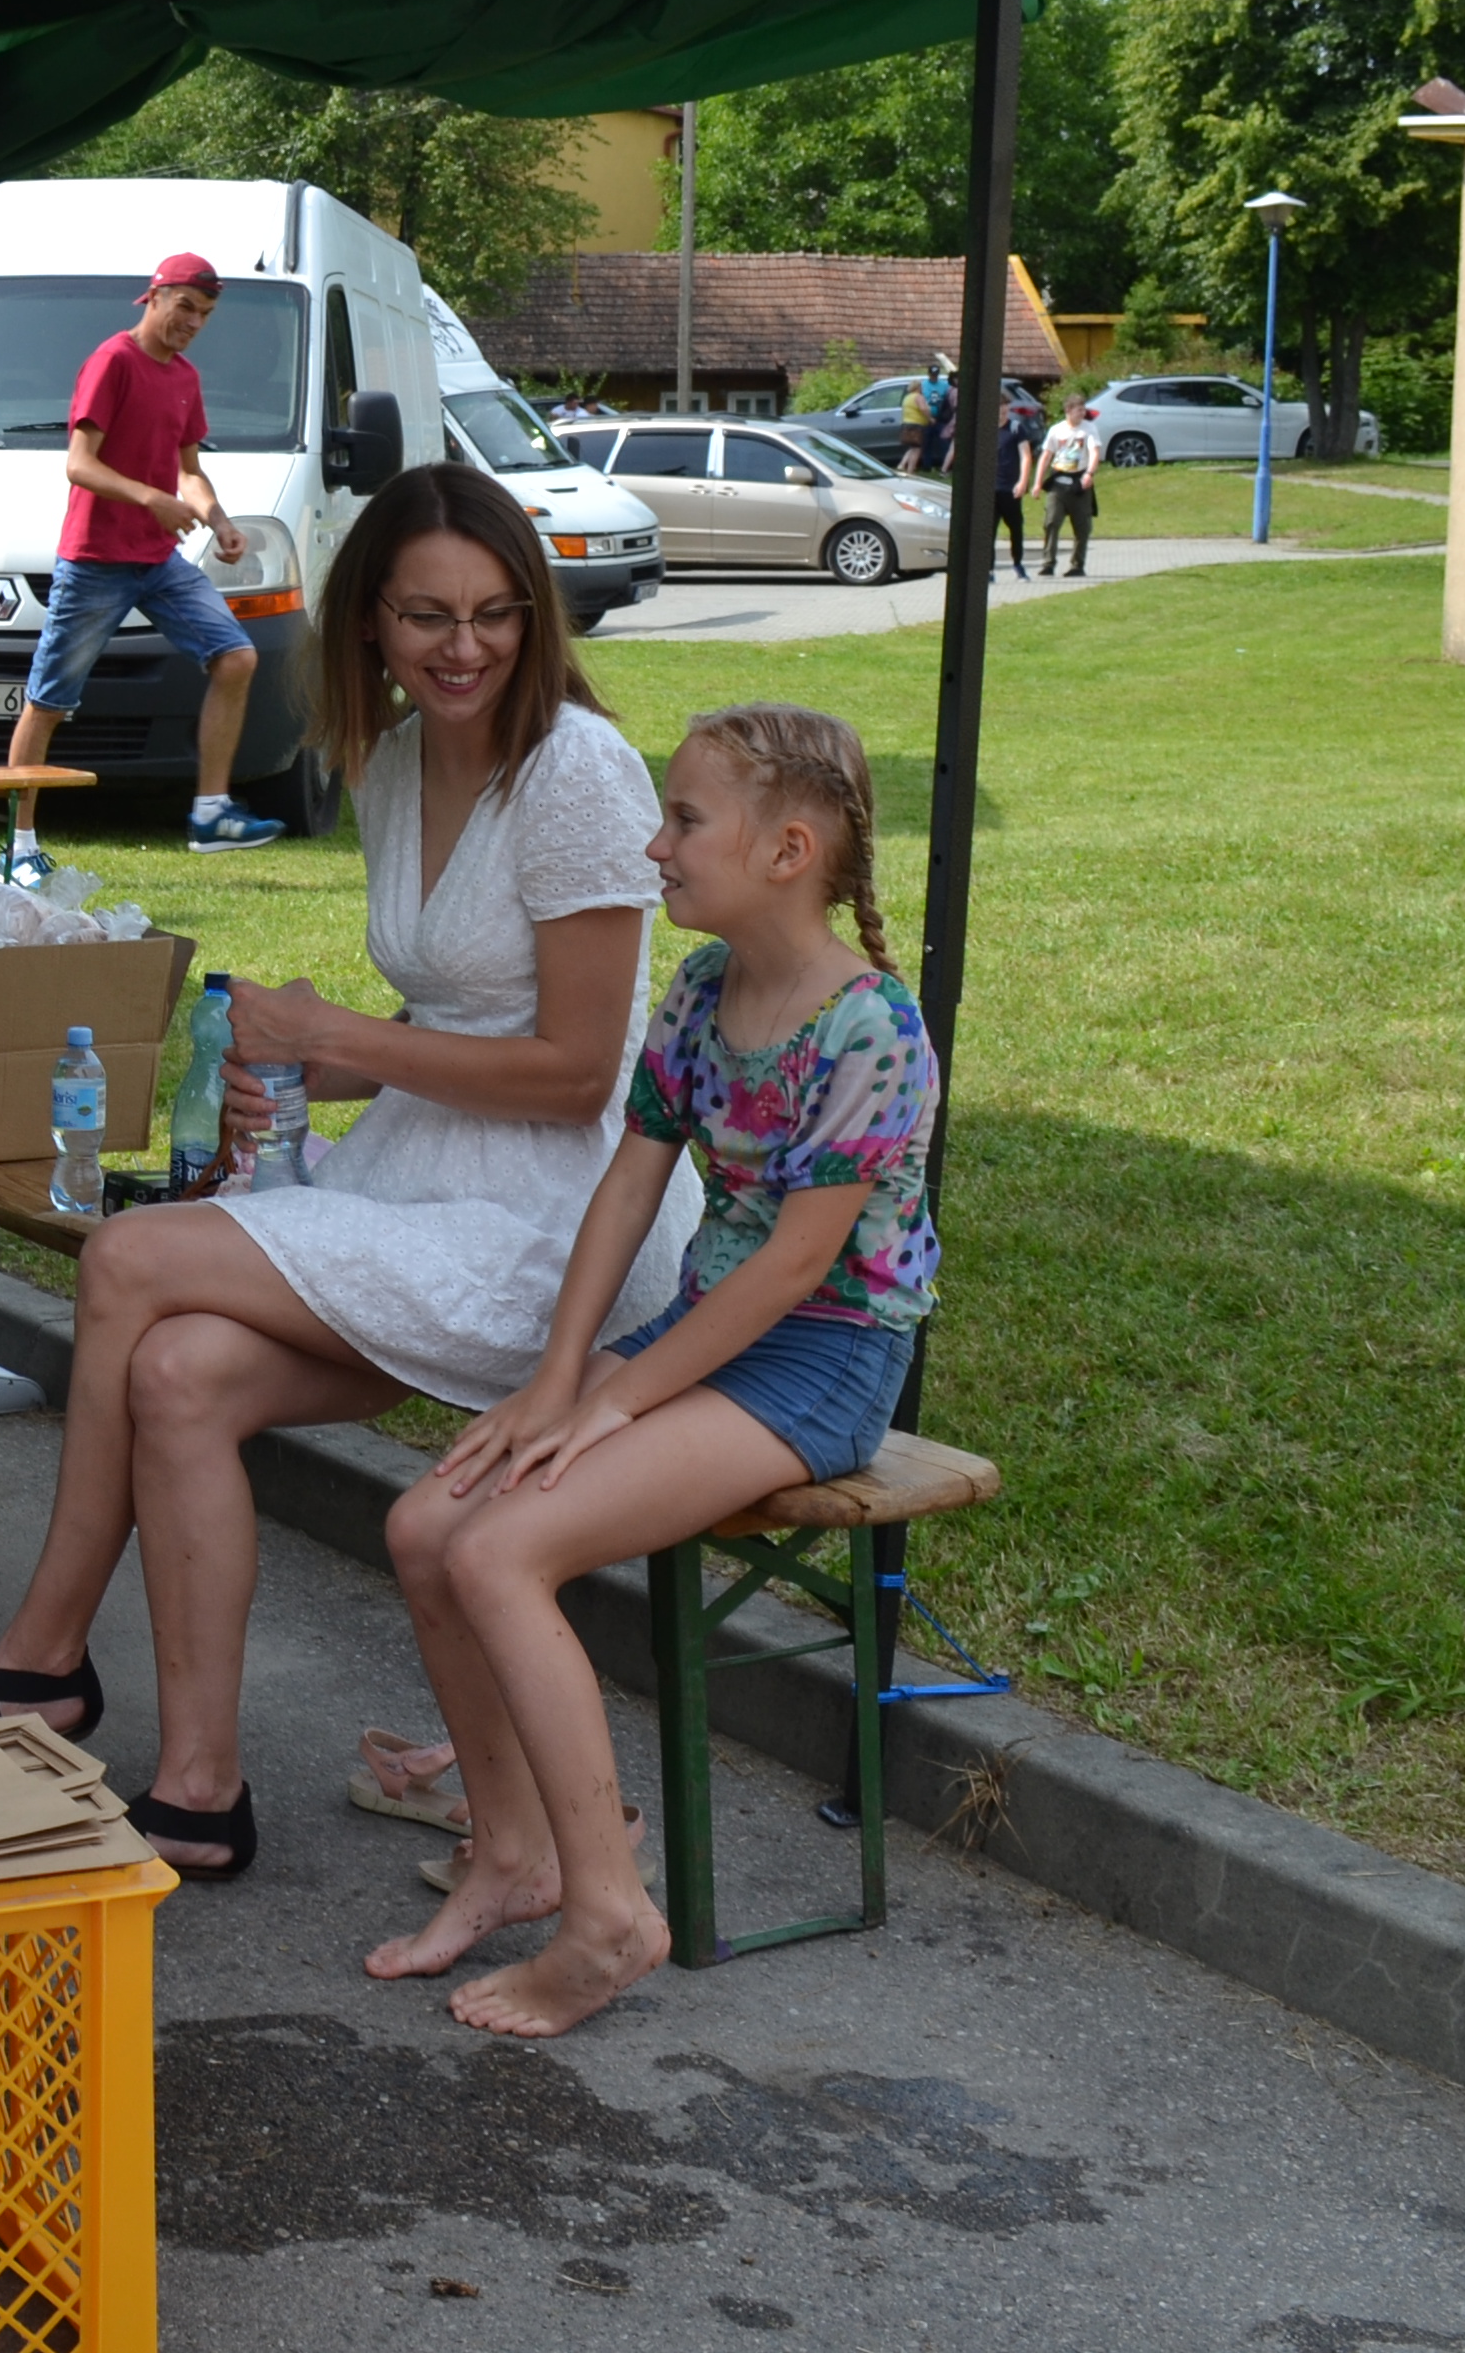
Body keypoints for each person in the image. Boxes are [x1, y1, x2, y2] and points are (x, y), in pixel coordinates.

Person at [0, 461, 700, 1876]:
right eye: (425, 616)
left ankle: (43, 1653)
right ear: (370, 622)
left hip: (567, 1221)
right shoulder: (405, 760)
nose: (461, 647)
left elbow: (579, 1071)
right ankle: (200, 1785)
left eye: (491, 615)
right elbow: (452, 1021)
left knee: (128, 1258)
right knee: (175, 1375)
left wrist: (338, 1033)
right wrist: (304, 1068)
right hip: (430, 1172)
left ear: (536, 617)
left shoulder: (580, 772)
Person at [369, 701, 936, 2037]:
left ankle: (609, 1913)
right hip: (704, 1336)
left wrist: (619, 1397)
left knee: (503, 1554)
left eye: (683, 819)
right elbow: (627, 1195)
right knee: (424, 1522)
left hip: (824, 1363)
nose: (655, 844)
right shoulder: (696, 994)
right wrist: (562, 1378)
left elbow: (798, 1270)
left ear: (788, 849)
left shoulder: (871, 1033)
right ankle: (509, 1853)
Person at [0, 254, 281, 871]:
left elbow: (190, 473)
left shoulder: (184, 377)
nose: (194, 322)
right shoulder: (112, 362)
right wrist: (151, 498)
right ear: (153, 297)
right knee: (48, 703)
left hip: (158, 560)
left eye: (205, 315)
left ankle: (210, 813)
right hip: (97, 560)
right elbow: (79, 464)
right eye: (185, 307)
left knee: (237, 657)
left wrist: (220, 522)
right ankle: (18, 851)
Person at [1035, 394, 1101, 578]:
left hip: (1080, 482)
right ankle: (1048, 563)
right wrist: (1037, 482)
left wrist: (1089, 473)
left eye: (1083, 409)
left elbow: (1094, 452)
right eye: (1079, 410)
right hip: (1058, 482)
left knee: (1082, 527)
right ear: (1068, 411)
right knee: (1051, 522)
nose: (1083, 413)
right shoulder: (1057, 430)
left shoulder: (1089, 429)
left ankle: (1077, 565)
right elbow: (1046, 456)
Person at [986, 385, 1038, 578]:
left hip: (1010, 487)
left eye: (1005, 406)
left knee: (1016, 527)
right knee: (988, 531)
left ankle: (1018, 564)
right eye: (998, 406)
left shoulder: (1016, 428)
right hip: (991, 488)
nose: (1002, 410)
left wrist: (1023, 481)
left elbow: (1026, 456)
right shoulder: (985, 429)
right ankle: (988, 569)